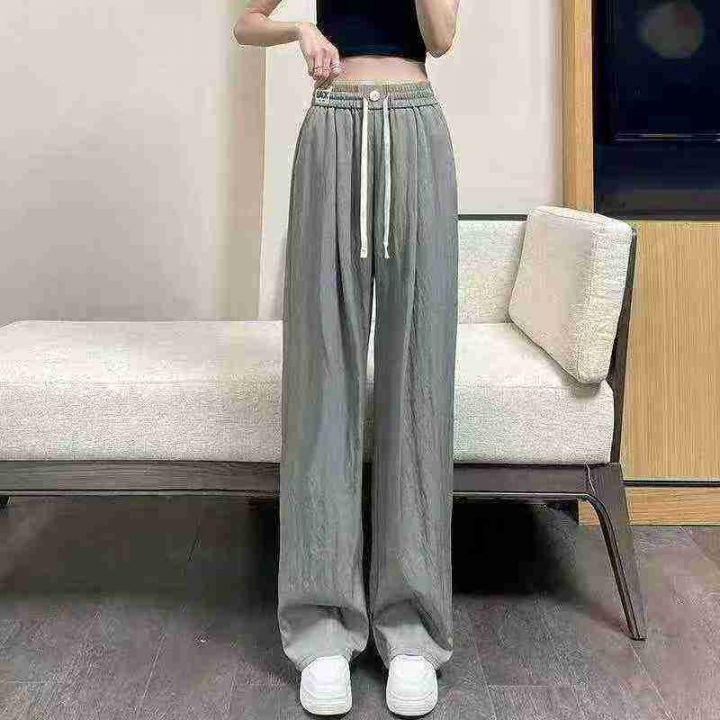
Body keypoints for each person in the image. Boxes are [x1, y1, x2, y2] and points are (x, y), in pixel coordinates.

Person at [233, 1, 460, 715]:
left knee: (418, 376)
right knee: (322, 374)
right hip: (332, 127)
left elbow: (441, 38)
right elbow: (246, 22)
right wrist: (299, 29)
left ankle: (412, 632)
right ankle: (321, 630)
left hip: (415, 128)